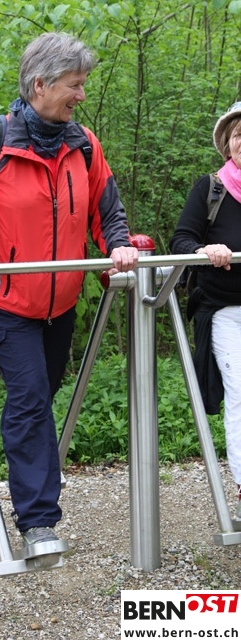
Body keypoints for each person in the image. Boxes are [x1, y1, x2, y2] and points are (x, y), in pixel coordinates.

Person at [0, 32, 138, 551]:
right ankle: (38, 523)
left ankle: (36, 494)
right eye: (74, 85)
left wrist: (118, 246)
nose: (81, 95)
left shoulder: (84, 145)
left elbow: (107, 212)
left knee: (42, 394)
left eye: (83, 84)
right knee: (28, 400)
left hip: (61, 304)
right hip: (8, 303)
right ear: (40, 85)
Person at [170, 102, 241, 519]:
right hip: (225, 310)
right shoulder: (211, 189)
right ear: (228, 145)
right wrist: (204, 249)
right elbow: (181, 240)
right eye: (238, 135)